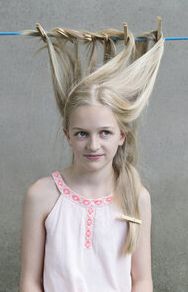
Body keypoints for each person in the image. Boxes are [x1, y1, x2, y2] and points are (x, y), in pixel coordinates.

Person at [19, 19, 164, 292]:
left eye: (105, 133)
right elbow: (30, 281)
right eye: (82, 133)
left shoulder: (136, 197)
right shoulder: (42, 195)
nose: (93, 145)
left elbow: (142, 280)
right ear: (67, 135)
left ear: (122, 136)